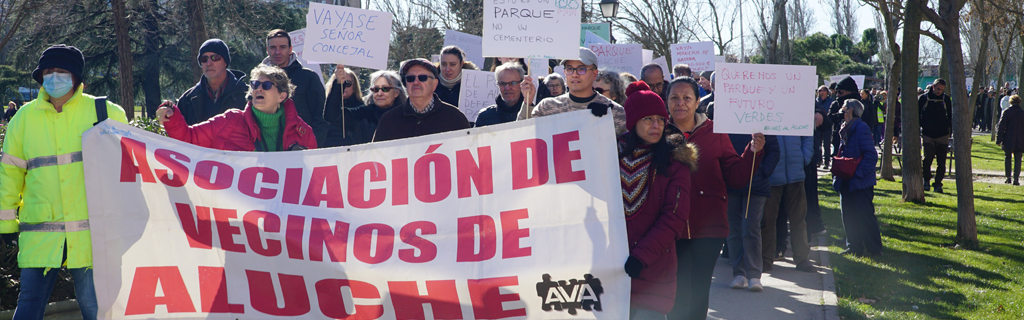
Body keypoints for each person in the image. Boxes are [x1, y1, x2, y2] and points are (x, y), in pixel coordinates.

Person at [1, 44, 129, 320]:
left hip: (91, 235)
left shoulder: (106, 113)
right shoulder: (23, 118)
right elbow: (9, 175)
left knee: (95, 308)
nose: (54, 77)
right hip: (41, 234)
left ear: (77, 77)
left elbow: (130, 172)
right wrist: (5, 223)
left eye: (62, 71)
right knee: (29, 306)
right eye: (49, 71)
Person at [666, 76, 764, 320]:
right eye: (674, 98)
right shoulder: (658, 132)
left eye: (687, 98)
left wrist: (752, 152)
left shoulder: (715, 132)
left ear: (698, 100)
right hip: (668, 228)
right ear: (666, 101)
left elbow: (736, 177)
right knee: (676, 293)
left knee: (698, 292)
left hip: (708, 228)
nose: (681, 103)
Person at [618, 81, 697, 319]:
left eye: (661, 119)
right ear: (633, 122)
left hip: (653, 270)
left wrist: (641, 256)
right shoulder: (610, 155)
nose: (656, 125)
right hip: (612, 272)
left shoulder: (675, 162)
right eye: (648, 119)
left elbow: (674, 217)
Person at [158, 64, 317, 151]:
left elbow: (313, 179)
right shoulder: (230, 121)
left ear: (282, 96)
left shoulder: (303, 131)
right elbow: (188, 138)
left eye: (266, 85)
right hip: (241, 208)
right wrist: (172, 117)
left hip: (283, 208)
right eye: (255, 84)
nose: (258, 89)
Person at [526, 47, 626, 135]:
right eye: (569, 69)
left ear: (594, 74)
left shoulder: (614, 112)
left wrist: (603, 126)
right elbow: (523, 139)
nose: (574, 74)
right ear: (564, 73)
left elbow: (622, 151)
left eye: (581, 69)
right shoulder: (547, 107)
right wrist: (527, 102)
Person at [725, 132, 779, 292]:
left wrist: (762, 172)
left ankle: (754, 275)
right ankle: (738, 274)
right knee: (734, 230)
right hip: (731, 185)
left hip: (756, 186)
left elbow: (774, 151)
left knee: (751, 228)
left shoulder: (764, 123)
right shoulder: (728, 123)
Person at [372, 58, 470, 142]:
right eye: (410, 78)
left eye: (422, 78)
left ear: (434, 84)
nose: (416, 82)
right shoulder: (388, 120)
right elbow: (376, 157)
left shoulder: (455, 118)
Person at [263, 29, 328, 147]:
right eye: (273, 47)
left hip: (299, 149)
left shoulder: (309, 77)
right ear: (267, 50)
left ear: (290, 49)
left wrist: (311, 148)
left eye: (282, 47)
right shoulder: (258, 79)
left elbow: (321, 118)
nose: (277, 52)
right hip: (265, 149)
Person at [834, 100, 882, 257]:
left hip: (860, 181)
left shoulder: (861, 128)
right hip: (846, 179)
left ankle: (874, 249)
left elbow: (871, 155)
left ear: (851, 111)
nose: (842, 109)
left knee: (865, 215)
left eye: (844, 107)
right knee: (848, 215)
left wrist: (858, 173)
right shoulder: (845, 127)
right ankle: (854, 247)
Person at [762, 133, 815, 273]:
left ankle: (802, 258)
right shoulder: (767, 111)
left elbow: (807, 134)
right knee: (768, 220)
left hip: (795, 174)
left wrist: (803, 158)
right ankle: (765, 259)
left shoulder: (796, 111)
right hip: (772, 175)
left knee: (799, 219)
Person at [175, 39, 248, 125]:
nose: (209, 63)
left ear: (225, 62)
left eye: (215, 58)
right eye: (204, 59)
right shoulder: (187, 100)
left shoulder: (247, 95)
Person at [325, 70, 405, 146]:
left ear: (396, 92)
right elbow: (333, 115)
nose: (380, 93)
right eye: (376, 89)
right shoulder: (364, 114)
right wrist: (339, 84)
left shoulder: (406, 115)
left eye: (385, 89)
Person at [919, 78, 953, 193]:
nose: (939, 92)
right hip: (928, 133)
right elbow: (918, 114)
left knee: (941, 161)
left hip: (942, 134)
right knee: (927, 158)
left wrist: (949, 130)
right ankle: (926, 180)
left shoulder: (946, 99)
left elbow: (950, 116)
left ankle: (938, 183)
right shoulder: (924, 98)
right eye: (938, 89)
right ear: (933, 87)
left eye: (942, 90)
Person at [476, 62, 535, 127]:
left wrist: (528, 102)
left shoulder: (536, 113)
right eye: (502, 84)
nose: (507, 88)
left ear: (522, 84)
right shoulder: (485, 117)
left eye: (513, 83)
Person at [323, 65, 364, 147]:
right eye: (340, 82)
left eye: (348, 83)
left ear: (354, 87)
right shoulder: (323, 106)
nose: (343, 86)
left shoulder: (362, 108)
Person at [828, 77, 860, 159]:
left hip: (856, 145)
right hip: (838, 142)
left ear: (851, 92)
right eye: (836, 92)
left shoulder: (860, 106)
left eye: (840, 92)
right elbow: (829, 118)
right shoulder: (835, 104)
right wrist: (839, 115)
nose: (837, 95)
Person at [996, 95, 1023, 185]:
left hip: (1008, 138)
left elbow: (1001, 127)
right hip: (1020, 139)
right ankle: (1016, 178)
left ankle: (1008, 177)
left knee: (1008, 158)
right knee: (1018, 159)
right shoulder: (1022, 113)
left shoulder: (1006, 112)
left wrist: (999, 140)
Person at [816, 86, 835, 168]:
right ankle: (819, 160)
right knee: (818, 144)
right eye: (819, 91)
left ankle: (827, 161)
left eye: (822, 91)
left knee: (826, 145)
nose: (820, 92)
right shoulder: (816, 101)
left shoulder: (831, 101)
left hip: (827, 126)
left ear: (826, 92)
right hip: (818, 126)